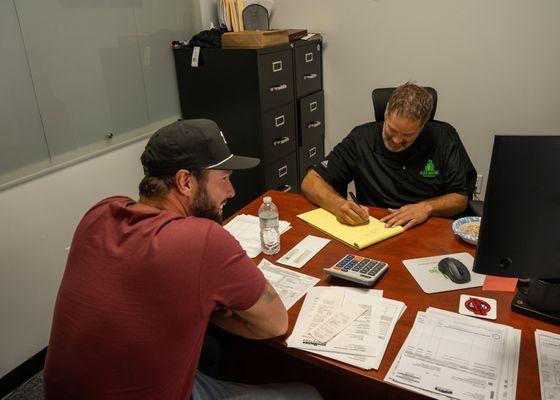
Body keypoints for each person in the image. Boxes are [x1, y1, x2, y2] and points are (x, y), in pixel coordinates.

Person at [44, 119, 321, 400]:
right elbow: (275, 324)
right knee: (308, 395)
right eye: (224, 179)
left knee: (209, 351)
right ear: (185, 182)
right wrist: (214, 308)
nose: (231, 192)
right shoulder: (203, 239)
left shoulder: (99, 213)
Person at [301, 82, 472, 230]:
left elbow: (460, 199)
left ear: (422, 127)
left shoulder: (443, 138)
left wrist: (426, 208)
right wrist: (338, 205)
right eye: (392, 129)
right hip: (374, 228)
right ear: (385, 114)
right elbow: (310, 182)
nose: (397, 140)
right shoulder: (361, 139)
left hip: (426, 229)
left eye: (407, 135)